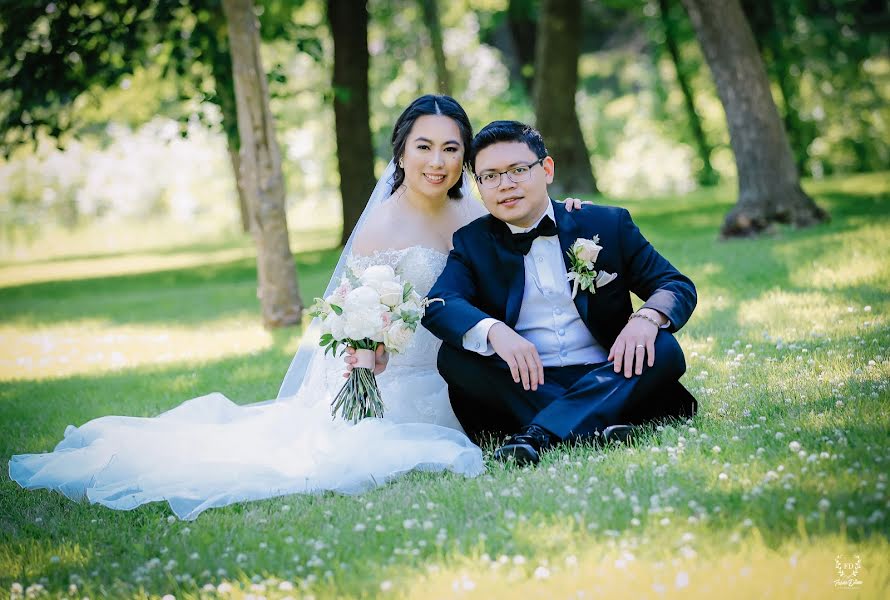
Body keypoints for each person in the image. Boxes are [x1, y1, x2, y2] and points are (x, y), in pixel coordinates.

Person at [9, 96, 585, 519]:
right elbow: (352, 307)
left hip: (469, 358)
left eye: (451, 148)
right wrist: (365, 350)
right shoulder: (382, 223)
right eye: (424, 147)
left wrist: (569, 211)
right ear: (402, 153)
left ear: (466, 156)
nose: (438, 161)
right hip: (397, 372)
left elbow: (525, 218)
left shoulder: (475, 211)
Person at [422, 120, 698, 465]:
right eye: (489, 176)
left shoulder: (606, 224)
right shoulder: (472, 241)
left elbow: (675, 285)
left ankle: (540, 433)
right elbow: (438, 304)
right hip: (528, 380)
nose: (505, 185)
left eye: (518, 170)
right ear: (479, 186)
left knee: (663, 345)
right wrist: (495, 331)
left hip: (608, 370)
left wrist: (646, 317)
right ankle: (605, 421)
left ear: (546, 169)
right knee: (454, 356)